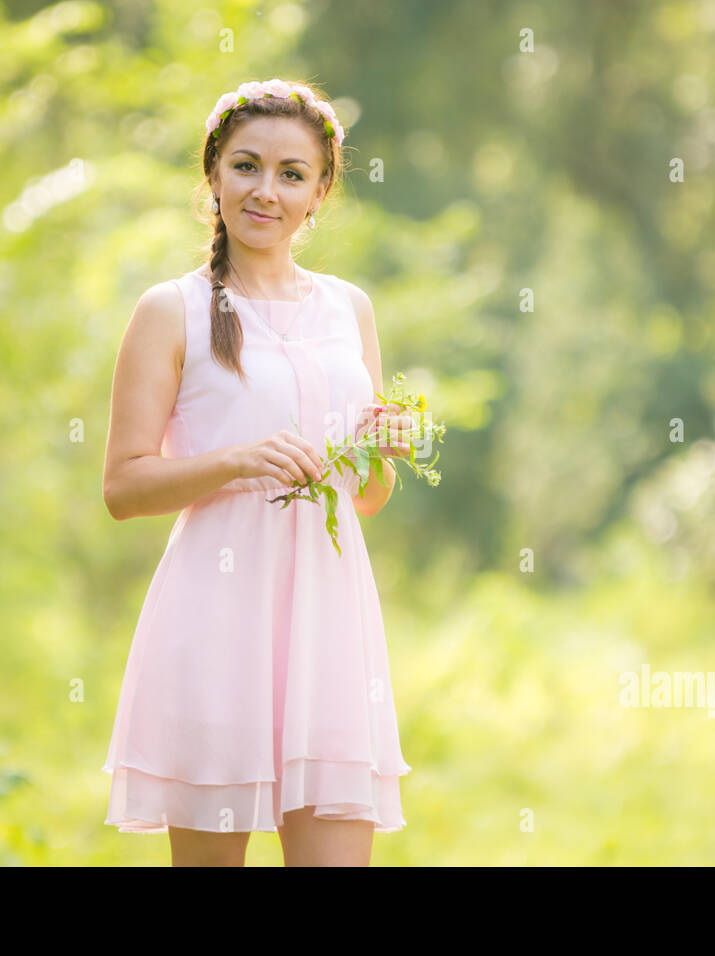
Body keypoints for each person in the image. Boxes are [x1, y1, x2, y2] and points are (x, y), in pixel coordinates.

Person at [99, 79, 414, 866]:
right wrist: (238, 461)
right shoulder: (170, 310)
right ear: (212, 174)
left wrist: (387, 450)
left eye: (291, 174)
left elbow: (367, 499)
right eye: (246, 166)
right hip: (216, 619)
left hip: (331, 624)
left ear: (320, 193)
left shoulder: (351, 310)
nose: (264, 190)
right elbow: (123, 488)